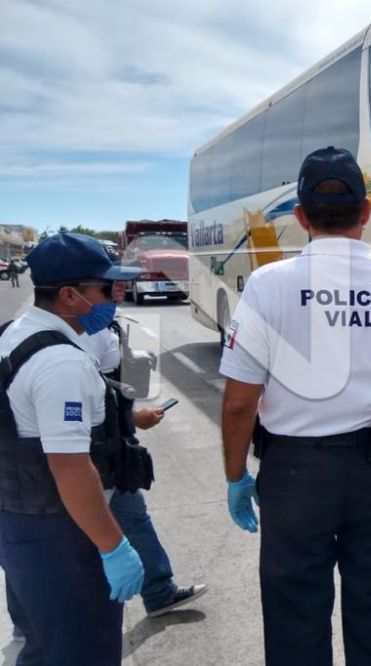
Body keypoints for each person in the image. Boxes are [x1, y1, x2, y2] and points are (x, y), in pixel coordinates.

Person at [219, 146, 371, 665]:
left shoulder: (267, 285)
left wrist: (236, 476)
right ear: (366, 211)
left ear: (301, 217)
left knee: (294, 618)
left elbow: (238, 404)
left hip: (293, 475)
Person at [0, 232, 144, 664]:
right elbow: (71, 468)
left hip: (19, 523)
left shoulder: (12, 335)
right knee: (83, 650)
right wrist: (113, 546)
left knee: (43, 647)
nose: (114, 297)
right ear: (69, 295)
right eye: (105, 288)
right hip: (62, 536)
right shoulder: (61, 362)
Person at [78, 324, 209, 617]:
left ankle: (159, 592)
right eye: (108, 298)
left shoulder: (104, 325)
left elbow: (108, 394)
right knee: (72, 538)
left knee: (134, 516)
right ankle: (32, 625)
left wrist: (134, 417)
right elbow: (91, 399)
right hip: (93, 454)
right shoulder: (77, 335)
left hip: (114, 447)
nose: (116, 301)